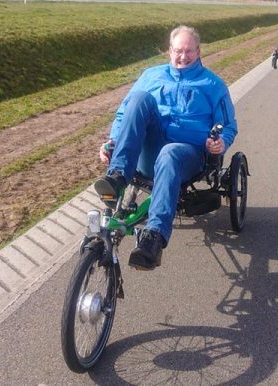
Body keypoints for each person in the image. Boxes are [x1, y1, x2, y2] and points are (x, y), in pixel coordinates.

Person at [94, 25, 238, 271]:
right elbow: (124, 114)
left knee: (169, 153)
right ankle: (118, 176)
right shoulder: (151, 75)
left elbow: (228, 126)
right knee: (140, 99)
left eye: (189, 51)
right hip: (150, 152)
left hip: (187, 154)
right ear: (169, 51)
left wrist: (221, 142)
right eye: (178, 51)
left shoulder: (212, 84)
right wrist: (113, 141)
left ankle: (154, 238)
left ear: (198, 51)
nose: (183, 57)